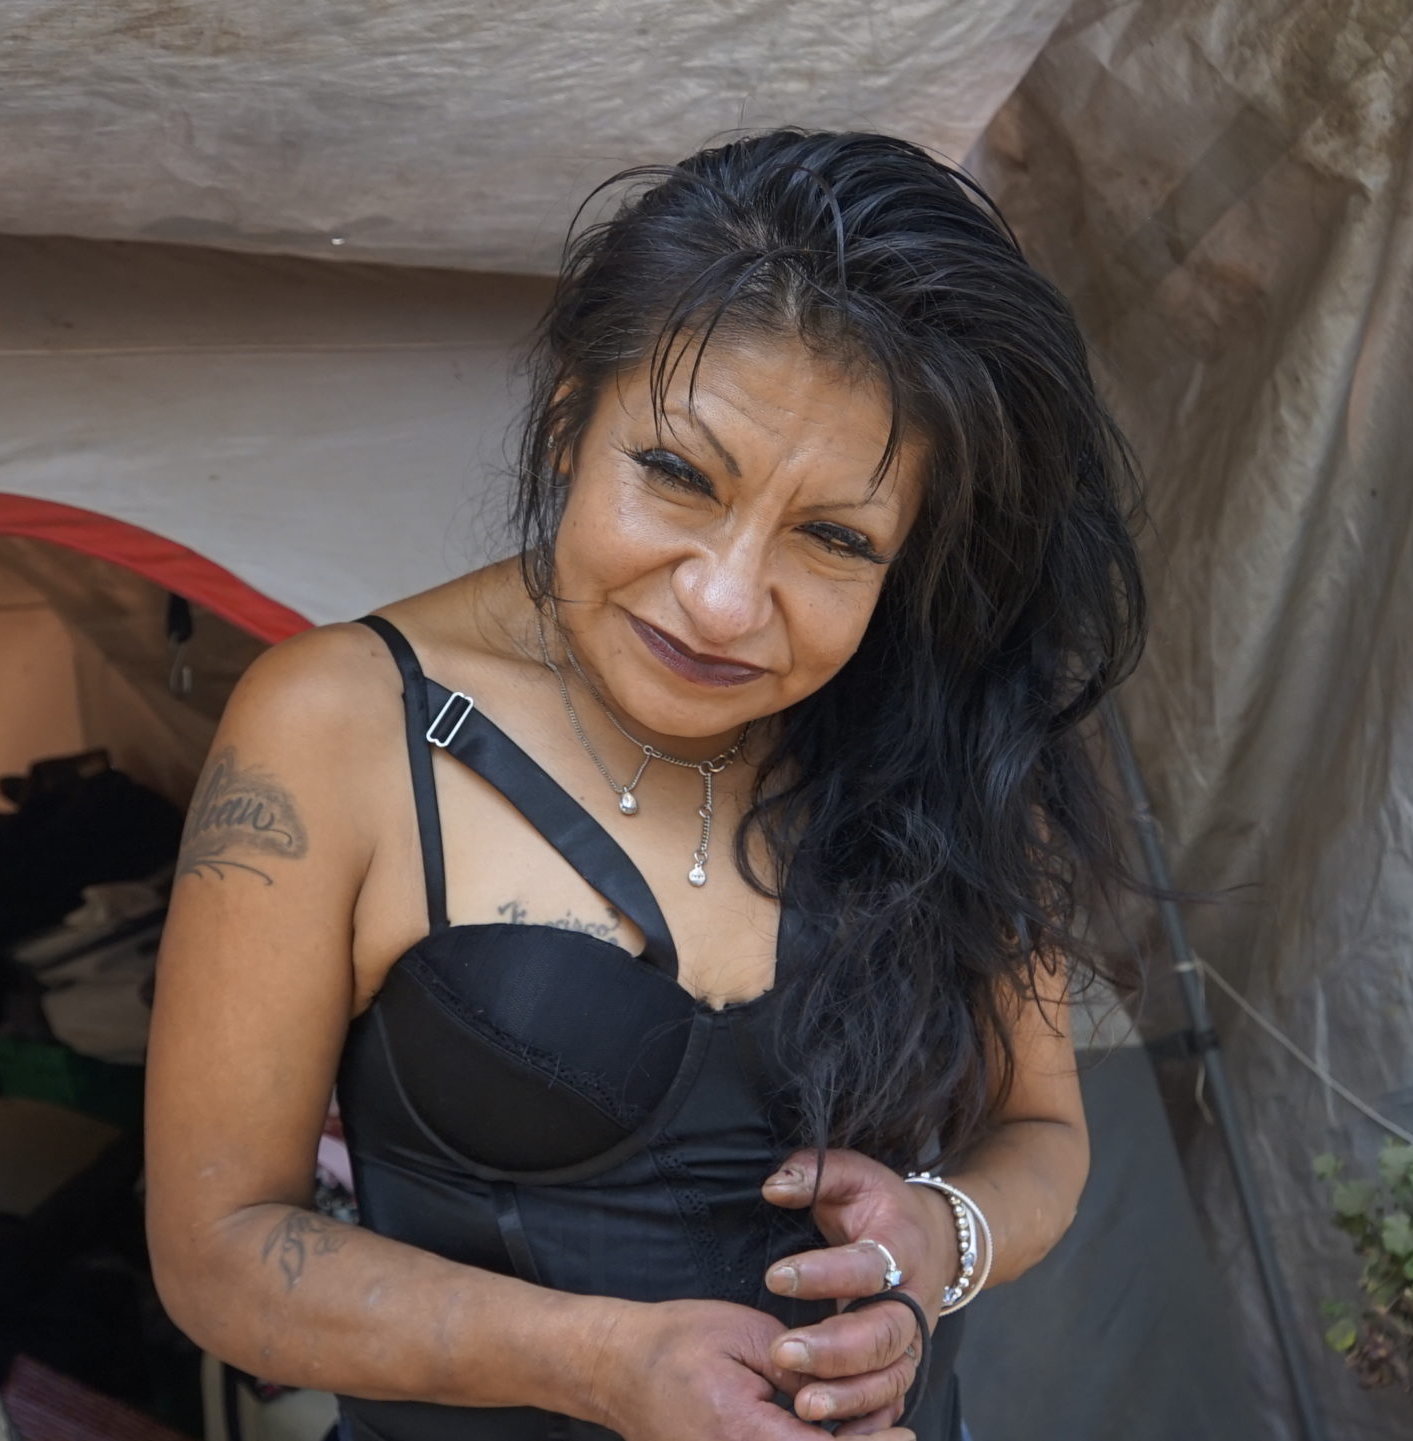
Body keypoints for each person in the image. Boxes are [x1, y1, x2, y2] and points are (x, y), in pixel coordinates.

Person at [144, 128, 1144, 1441]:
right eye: (678, 475)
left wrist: (937, 1240)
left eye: (835, 539)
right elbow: (218, 1252)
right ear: (572, 423)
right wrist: (596, 1361)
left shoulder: (945, 737)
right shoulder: (333, 725)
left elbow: (1042, 1131)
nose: (725, 598)